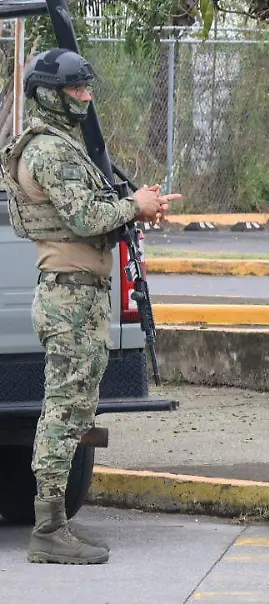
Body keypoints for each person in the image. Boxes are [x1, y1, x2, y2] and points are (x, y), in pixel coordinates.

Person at [0, 48, 180, 565]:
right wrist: (135, 205)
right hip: (68, 296)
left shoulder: (61, 145)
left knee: (76, 406)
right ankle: (48, 528)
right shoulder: (49, 151)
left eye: (86, 87)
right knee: (62, 410)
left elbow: (93, 211)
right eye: (76, 89)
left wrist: (135, 206)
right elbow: (83, 217)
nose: (86, 96)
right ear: (51, 95)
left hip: (80, 294)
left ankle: (53, 524)